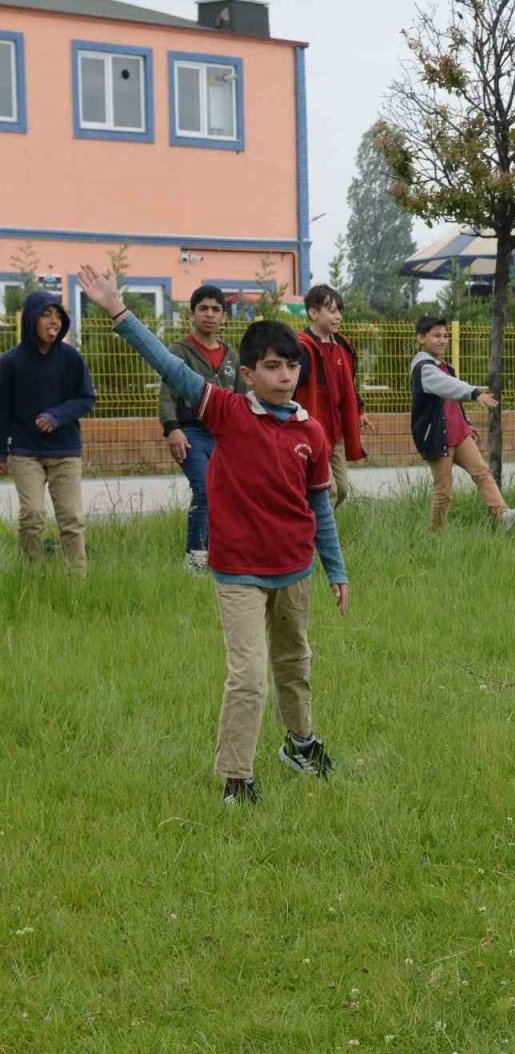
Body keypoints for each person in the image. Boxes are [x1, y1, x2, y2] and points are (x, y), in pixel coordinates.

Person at [78, 264, 349, 806]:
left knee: (295, 663)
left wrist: (336, 569)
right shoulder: (225, 411)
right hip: (239, 572)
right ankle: (237, 778)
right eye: (272, 367)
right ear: (247, 374)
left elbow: (319, 503)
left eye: (292, 366)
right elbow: (168, 366)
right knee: (248, 676)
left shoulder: (310, 431)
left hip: (294, 568)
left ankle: (300, 744)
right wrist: (117, 310)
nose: (285, 376)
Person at [0, 290, 97, 574]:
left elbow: (86, 398)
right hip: (24, 451)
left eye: (58, 315)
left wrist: (57, 416)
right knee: (32, 516)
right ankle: (34, 575)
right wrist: (1, 453)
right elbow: (2, 410)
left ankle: (77, 581)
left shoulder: (71, 359)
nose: (53, 321)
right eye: (46, 314)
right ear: (31, 319)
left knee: (72, 519)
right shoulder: (10, 362)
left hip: (65, 451)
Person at [410, 315, 515, 532]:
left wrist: (465, 422)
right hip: (438, 436)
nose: (442, 340)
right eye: (436, 336)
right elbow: (448, 386)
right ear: (421, 338)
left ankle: (503, 516)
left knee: (482, 473)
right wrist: (474, 393)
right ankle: (436, 536)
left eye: (445, 336)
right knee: (444, 491)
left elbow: (451, 401)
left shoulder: (443, 365)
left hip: (458, 433)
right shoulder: (424, 368)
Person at [159, 284, 245, 571]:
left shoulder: (232, 356)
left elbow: (244, 398)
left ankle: (223, 555)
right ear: (191, 314)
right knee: (205, 488)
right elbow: (167, 394)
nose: (210, 315)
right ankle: (195, 558)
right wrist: (172, 428)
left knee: (230, 494)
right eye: (203, 309)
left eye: (216, 309)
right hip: (192, 432)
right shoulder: (179, 351)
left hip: (226, 435)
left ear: (224, 317)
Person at [296, 285, 371, 508]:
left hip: (335, 429)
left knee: (343, 491)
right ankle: (315, 538)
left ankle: (318, 530)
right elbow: (291, 388)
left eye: (339, 310)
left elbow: (348, 384)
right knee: (327, 490)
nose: (338, 316)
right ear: (313, 313)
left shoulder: (343, 346)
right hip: (312, 430)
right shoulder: (302, 347)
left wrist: (359, 411)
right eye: (332, 310)